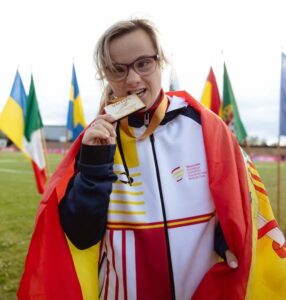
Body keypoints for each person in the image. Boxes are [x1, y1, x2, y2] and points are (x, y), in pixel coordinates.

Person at [18, 18, 286, 300]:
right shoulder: (98, 138)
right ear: (105, 75)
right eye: (118, 69)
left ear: (161, 62)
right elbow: (82, 236)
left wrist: (223, 239)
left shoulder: (206, 128)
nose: (133, 79)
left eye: (143, 63)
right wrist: (95, 165)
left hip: (201, 292)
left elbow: (238, 206)